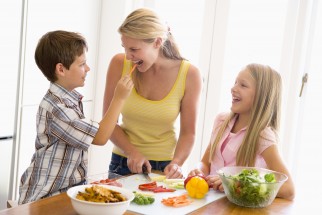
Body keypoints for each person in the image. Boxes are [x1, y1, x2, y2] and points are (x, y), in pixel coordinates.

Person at [18, 30, 133, 204]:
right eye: (82, 64)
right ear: (61, 69)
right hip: (45, 197)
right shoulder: (57, 108)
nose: (87, 69)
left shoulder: (69, 99)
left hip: (64, 192)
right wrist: (119, 98)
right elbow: (101, 137)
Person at [103, 8, 202, 179]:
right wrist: (132, 152)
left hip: (164, 168)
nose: (128, 56)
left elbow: (188, 132)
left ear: (157, 42)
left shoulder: (190, 75)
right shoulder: (119, 64)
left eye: (134, 49)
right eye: (125, 48)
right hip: (123, 162)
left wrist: (177, 163)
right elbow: (108, 121)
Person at [188, 64, 295, 200]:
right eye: (235, 82)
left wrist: (235, 183)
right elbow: (205, 163)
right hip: (208, 202)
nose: (233, 88)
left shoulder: (263, 135)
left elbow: (289, 189)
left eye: (243, 85)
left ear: (261, 95)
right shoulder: (221, 121)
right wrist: (199, 171)